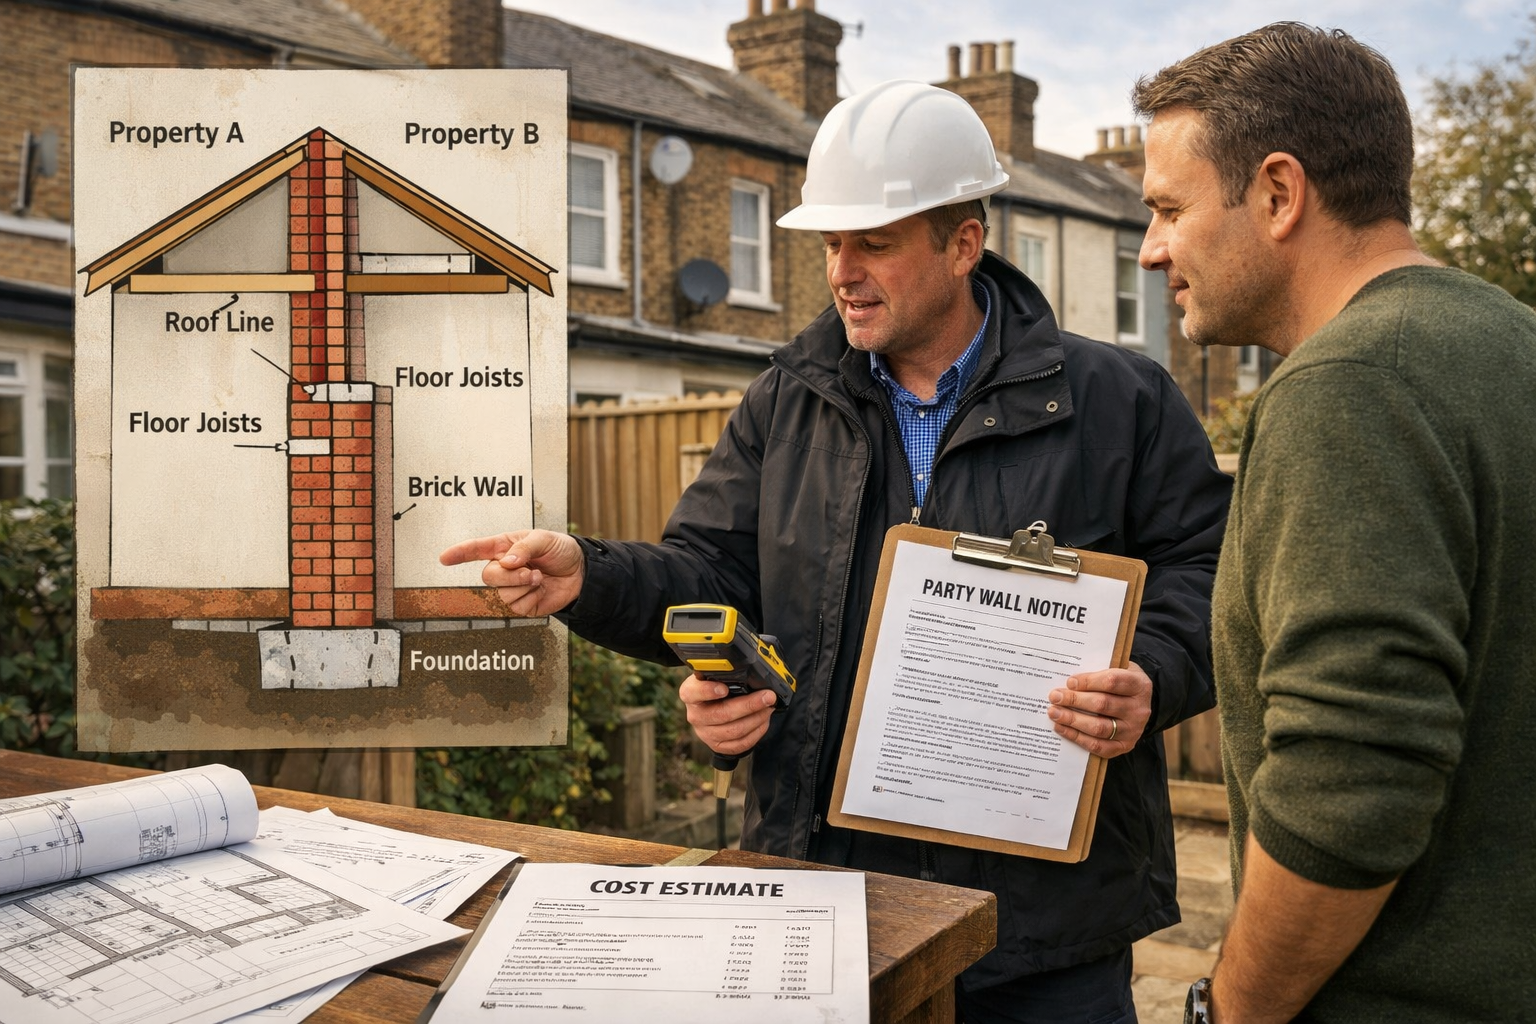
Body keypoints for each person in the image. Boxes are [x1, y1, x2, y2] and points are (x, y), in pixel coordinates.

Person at [444, 80, 1231, 1023]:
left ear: (963, 244)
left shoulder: (1122, 400)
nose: (842, 272)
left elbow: (1215, 571)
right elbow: (712, 574)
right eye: (830, 244)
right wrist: (592, 576)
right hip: (826, 903)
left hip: (1046, 931)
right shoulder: (786, 399)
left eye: (875, 243)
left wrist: (1150, 674)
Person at [1133, 23, 1536, 1024]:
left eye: (1170, 209)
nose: (1152, 250)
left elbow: (1351, 780)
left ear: (1279, 193)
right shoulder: (1511, 344)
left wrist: (1228, 1008)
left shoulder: (1347, 385)